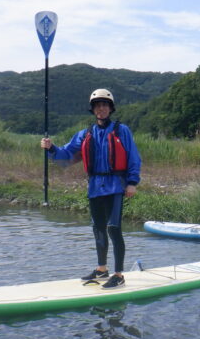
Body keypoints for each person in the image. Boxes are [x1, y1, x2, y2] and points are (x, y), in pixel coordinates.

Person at [41, 88, 141, 289]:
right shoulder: (85, 134)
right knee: (98, 228)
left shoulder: (122, 131)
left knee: (114, 228)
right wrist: (51, 148)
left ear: (110, 108)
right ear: (93, 109)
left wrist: (132, 183)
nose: (101, 108)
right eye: (97, 105)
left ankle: (119, 274)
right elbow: (67, 155)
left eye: (104, 105)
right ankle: (102, 269)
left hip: (116, 185)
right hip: (95, 187)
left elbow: (133, 158)